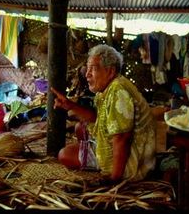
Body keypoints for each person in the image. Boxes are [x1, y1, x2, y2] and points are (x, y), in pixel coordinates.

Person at [51, 44, 156, 182]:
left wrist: (113, 178)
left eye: (93, 68)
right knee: (80, 128)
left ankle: (104, 163)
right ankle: (94, 152)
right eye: (87, 68)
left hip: (132, 160)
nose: (87, 74)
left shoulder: (118, 92)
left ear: (110, 71)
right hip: (121, 145)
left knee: (64, 154)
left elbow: (122, 138)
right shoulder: (109, 89)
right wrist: (69, 105)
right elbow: (97, 118)